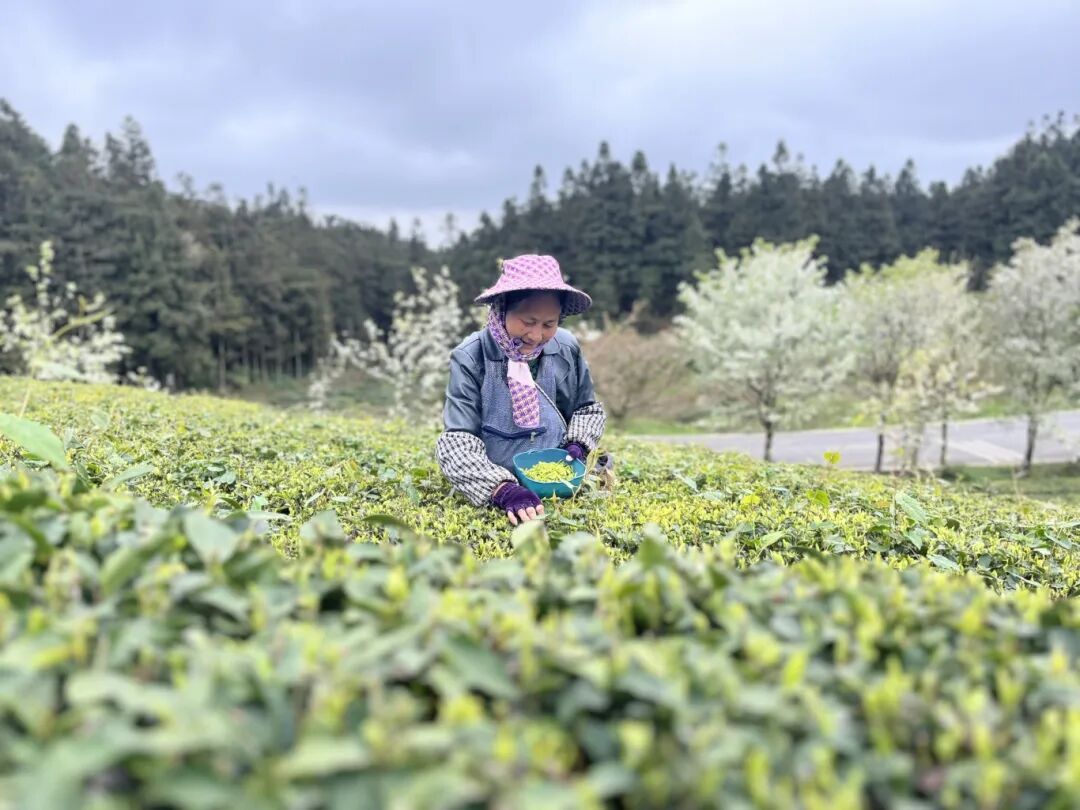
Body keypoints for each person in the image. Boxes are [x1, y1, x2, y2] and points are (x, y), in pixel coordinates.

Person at [436, 254, 606, 525]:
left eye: (549, 324)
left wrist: (578, 445)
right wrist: (503, 490)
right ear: (502, 309)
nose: (536, 336)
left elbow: (586, 409)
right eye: (528, 322)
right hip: (499, 477)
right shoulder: (471, 356)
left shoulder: (565, 348)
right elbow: (457, 441)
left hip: (559, 477)